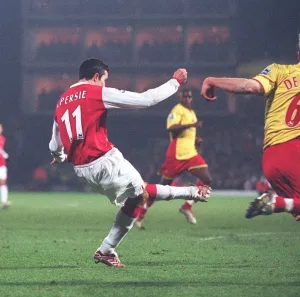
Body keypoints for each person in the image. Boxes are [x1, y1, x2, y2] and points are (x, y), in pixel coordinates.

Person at [49, 58, 211, 268]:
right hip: (103, 161)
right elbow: (146, 100)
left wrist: (60, 156)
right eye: (105, 79)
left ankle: (107, 250)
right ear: (96, 76)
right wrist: (175, 82)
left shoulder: (62, 100)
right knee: (142, 193)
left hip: (81, 170)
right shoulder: (96, 91)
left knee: (136, 198)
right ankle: (191, 193)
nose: (105, 84)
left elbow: (54, 143)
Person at [201, 38, 300, 220]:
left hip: (272, 157)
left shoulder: (280, 71)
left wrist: (213, 80)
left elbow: (250, 86)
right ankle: (275, 203)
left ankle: (278, 203)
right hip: (294, 150)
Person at [135, 89, 212, 229]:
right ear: (180, 97)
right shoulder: (177, 110)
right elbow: (172, 129)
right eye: (185, 96)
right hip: (176, 155)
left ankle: (187, 206)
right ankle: (139, 215)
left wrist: (196, 142)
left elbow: (187, 136)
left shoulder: (192, 113)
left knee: (207, 180)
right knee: (161, 189)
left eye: (190, 96)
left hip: (190, 154)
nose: (188, 99)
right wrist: (192, 125)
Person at [0, 124, 10, 209]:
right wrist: (4, 154)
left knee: (3, 182)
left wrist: (4, 154)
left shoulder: (3, 139)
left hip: (2, 164)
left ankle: (4, 201)